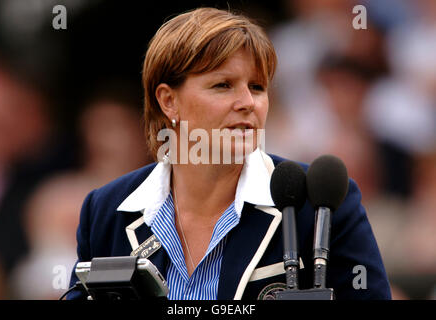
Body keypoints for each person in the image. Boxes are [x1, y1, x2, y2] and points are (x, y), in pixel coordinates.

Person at [67, 7, 391, 300]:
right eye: (223, 85)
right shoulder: (106, 210)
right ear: (168, 101)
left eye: (257, 87)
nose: (248, 102)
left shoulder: (320, 203)